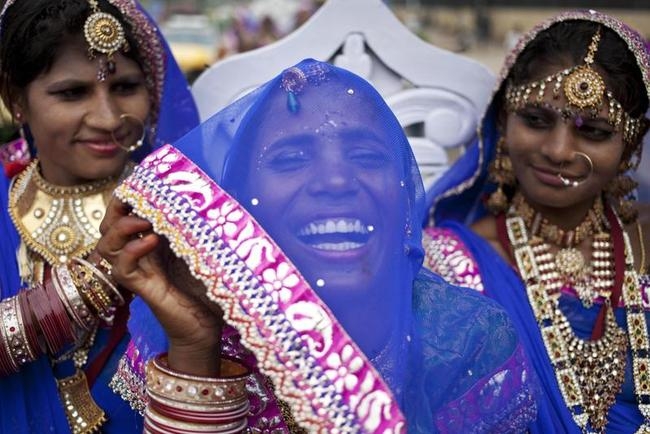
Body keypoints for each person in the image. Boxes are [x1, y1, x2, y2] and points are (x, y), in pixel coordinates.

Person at [98, 58, 538, 433]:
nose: (335, 181)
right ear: (238, 201)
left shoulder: (466, 337)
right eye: (291, 159)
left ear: (403, 196)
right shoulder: (181, 332)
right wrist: (195, 347)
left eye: (367, 157)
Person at [423, 10, 650, 433]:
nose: (560, 151)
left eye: (594, 132)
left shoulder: (643, 248)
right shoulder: (448, 265)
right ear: (503, 123)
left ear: (631, 143)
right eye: (536, 121)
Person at [0, 0, 198, 432]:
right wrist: (96, 278)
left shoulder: (192, 215)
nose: (109, 119)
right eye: (72, 93)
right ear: (16, 99)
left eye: (126, 86)